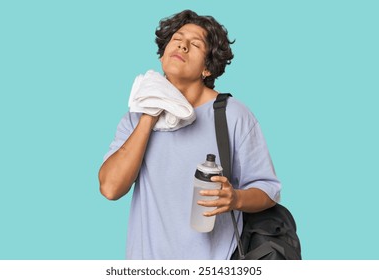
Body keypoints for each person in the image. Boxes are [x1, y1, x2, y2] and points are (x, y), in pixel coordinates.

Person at [98, 10, 281, 259]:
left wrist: (235, 198)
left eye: (195, 44)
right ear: (163, 55)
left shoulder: (232, 115)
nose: (182, 45)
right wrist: (151, 113)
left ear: (207, 68)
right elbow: (110, 188)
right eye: (177, 38)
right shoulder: (136, 117)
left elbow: (269, 190)